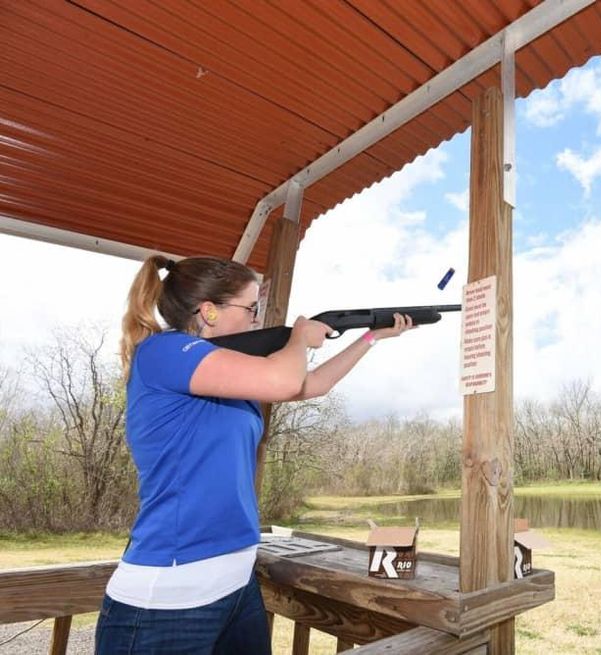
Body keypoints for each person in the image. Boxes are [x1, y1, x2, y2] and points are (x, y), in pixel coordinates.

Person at [95, 254, 412, 654]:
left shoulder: (226, 373)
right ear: (209, 311)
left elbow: (310, 384)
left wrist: (370, 337)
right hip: (172, 593)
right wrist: (298, 338)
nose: (255, 319)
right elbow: (284, 379)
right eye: (250, 308)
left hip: (235, 579)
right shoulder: (164, 352)